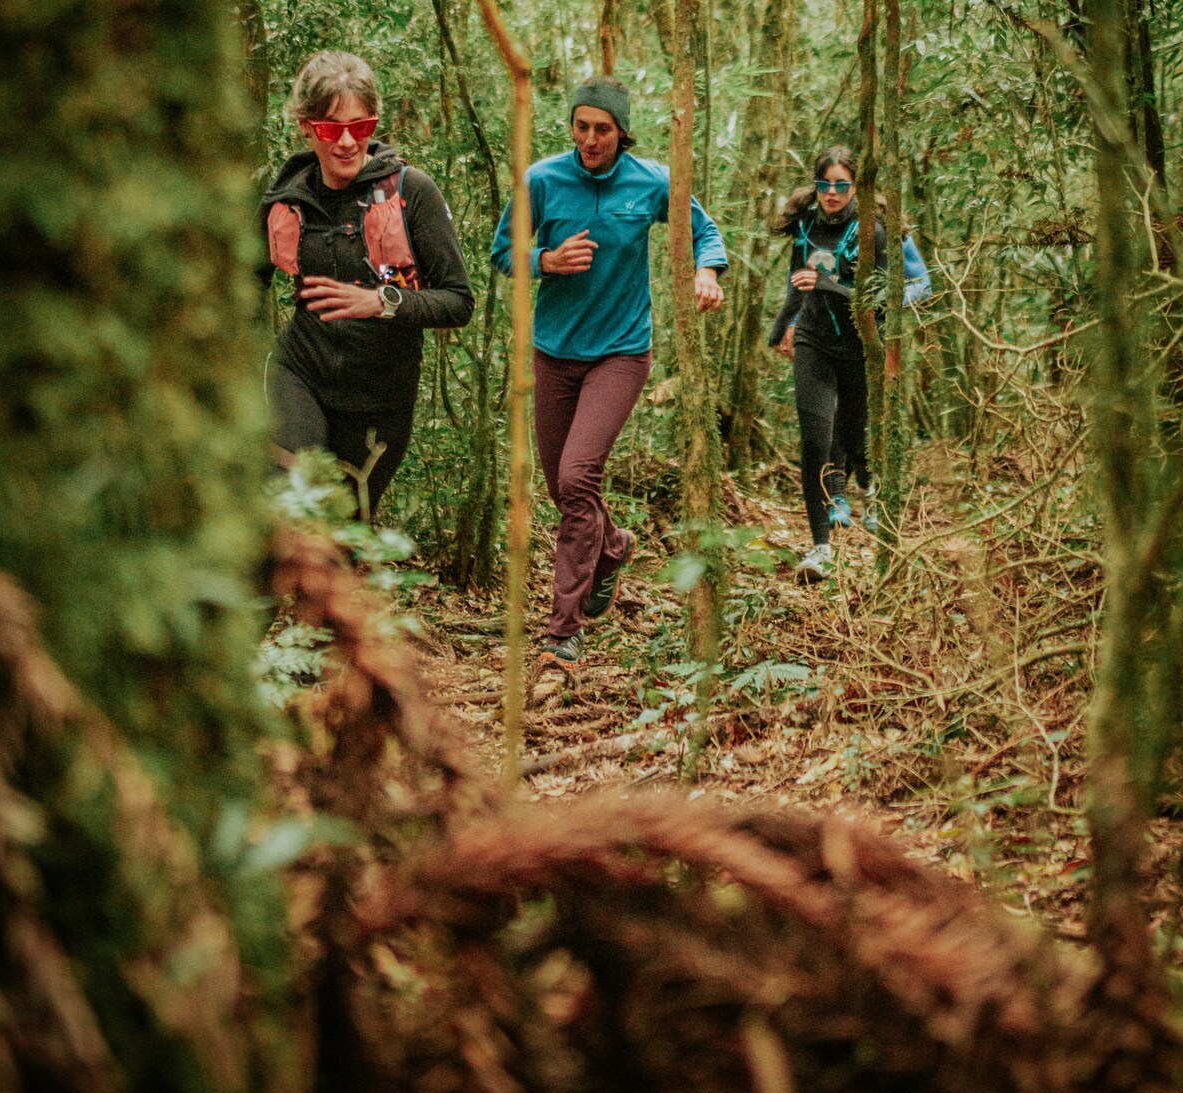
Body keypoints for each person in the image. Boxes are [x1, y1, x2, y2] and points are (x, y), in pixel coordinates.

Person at [491, 79, 728, 667]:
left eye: (603, 129)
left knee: (576, 478)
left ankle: (562, 629)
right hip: (554, 352)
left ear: (622, 131)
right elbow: (502, 254)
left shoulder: (650, 182)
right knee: (563, 488)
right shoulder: (543, 181)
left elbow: (705, 231)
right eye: (581, 126)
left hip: (621, 354)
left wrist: (708, 272)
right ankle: (614, 545)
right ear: (570, 127)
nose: (591, 139)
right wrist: (543, 260)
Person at [262, 50, 474, 518]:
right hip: (301, 373)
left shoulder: (411, 192)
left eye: (360, 127)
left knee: (343, 539)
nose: (345, 143)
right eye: (329, 129)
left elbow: (458, 301)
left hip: (380, 398)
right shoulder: (288, 198)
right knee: (289, 502)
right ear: (305, 126)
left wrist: (381, 301)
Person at [767, 147, 930, 583]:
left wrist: (832, 286)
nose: (833, 192)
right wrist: (786, 324)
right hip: (814, 341)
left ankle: (869, 497)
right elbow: (796, 278)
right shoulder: (806, 223)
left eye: (842, 184)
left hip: (861, 343)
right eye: (825, 184)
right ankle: (820, 547)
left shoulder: (874, 231)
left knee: (854, 431)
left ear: (856, 186)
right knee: (815, 437)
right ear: (815, 185)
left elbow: (898, 291)